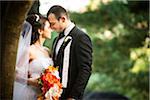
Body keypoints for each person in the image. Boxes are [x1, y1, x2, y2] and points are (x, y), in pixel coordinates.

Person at [47, 5, 93, 100]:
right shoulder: (56, 40)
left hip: (71, 95)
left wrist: (74, 96)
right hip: (55, 94)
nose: (51, 27)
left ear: (63, 19)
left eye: (53, 24)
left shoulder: (81, 37)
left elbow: (85, 69)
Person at [13, 14, 53, 100]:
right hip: (31, 94)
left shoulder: (47, 51)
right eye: (48, 27)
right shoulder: (29, 50)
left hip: (46, 95)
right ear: (40, 31)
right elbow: (14, 75)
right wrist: (30, 81)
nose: (51, 30)